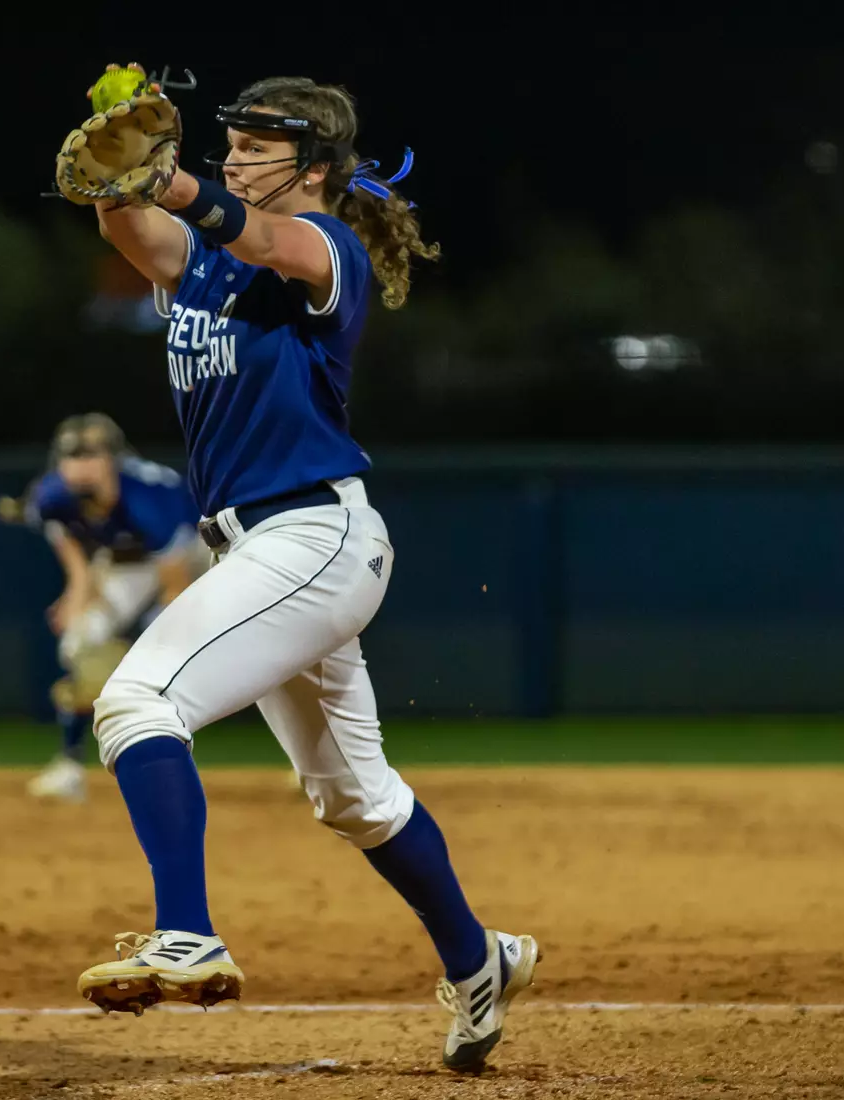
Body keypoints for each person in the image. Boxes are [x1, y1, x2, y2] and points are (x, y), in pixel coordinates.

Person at [70, 73, 539, 1073]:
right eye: (227, 141)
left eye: (255, 145)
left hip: (310, 534)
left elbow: (263, 238)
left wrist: (182, 185)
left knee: (136, 700)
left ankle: (187, 930)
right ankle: (480, 957)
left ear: (314, 167)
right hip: (260, 548)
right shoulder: (199, 262)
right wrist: (117, 184)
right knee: (353, 798)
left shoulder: (327, 250)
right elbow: (136, 236)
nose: (231, 155)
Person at [0, 413, 208, 803]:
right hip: (126, 561)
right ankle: (69, 766)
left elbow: (174, 583)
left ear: (113, 459)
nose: (80, 465)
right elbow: (71, 543)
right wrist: (78, 591)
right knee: (79, 643)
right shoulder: (52, 496)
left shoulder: (148, 497)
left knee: (197, 647)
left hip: (199, 552)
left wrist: (156, 638)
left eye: (91, 454)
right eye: (71, 455)